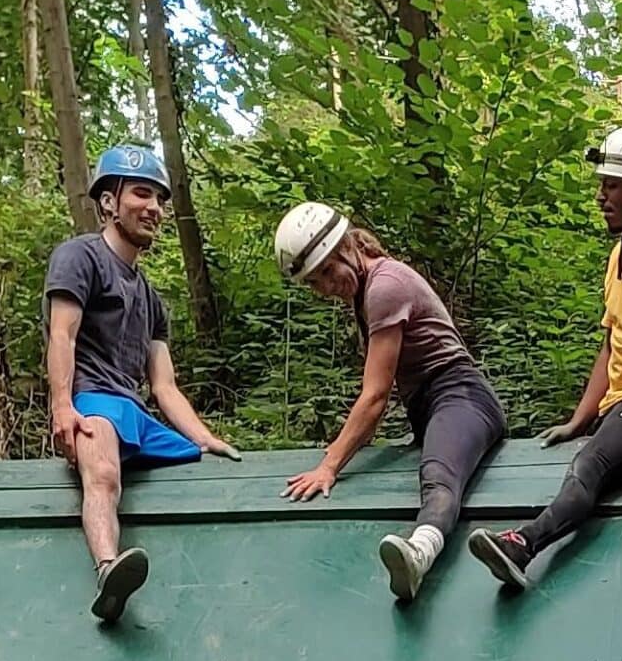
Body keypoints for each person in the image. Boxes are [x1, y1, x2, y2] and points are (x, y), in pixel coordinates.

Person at [469, 129, 622, 593]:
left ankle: (523, 543)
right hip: (621, 404)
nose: (601, 197)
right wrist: (580, 418)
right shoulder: (621, 252)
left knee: (590, 467)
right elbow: (611, 344)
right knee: (589, 455)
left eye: (611, 186)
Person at [44, 142, 239, 626]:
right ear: (109, 201)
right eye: (140, 194)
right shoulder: (79, 257)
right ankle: (109, 570)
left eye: (159, 198)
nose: (153, 208)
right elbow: (62, 334)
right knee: (104, 474)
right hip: (93, 401)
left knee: (204, 467)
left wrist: (205, 440)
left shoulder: (151, 297)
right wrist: (63, 408)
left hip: (138, 416)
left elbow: (165, 387)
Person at [273, 206, 508, 605]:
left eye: (329, 272)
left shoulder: (385, 286)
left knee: (438, 475)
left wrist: (329, 465)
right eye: (315, 283)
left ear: (348, 246)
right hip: (429, 405)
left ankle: (420, 552)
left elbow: (375, 397)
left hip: (461, 396)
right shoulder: (367, 287)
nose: (327, 287)